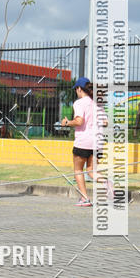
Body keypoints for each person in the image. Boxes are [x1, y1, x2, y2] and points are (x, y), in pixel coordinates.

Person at [61, 77, 108, 206]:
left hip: (83, 142)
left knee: (78, 170)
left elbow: (79, 121)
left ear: (79, 89)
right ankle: (107, 183)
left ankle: (85, 198)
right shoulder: (98, 103)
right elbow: (105, 122)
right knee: (92, 171)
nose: (76, 91)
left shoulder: (79, 103)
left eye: (76, 89)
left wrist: (67, 123)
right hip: (97, 143)